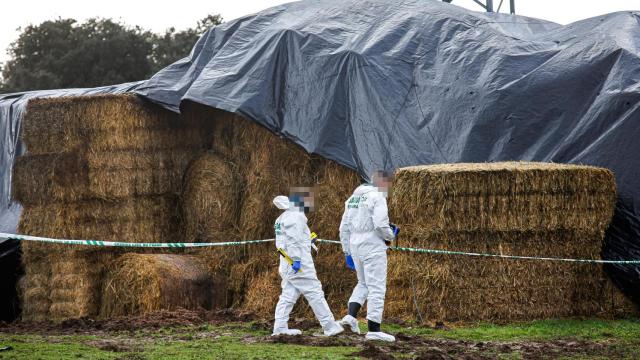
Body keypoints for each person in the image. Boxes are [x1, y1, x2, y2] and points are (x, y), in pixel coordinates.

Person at [272, 187, 344, 337]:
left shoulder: (283, 218)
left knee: (288, 295)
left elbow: (286, 241)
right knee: (314, 292)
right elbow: (293, 242)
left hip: (287, 263)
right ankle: (329, 326)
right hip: (297, 264)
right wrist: (296, 260)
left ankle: (279, 327)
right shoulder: (295, 217)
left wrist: (308, 239)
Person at [338, 171, 399, 342]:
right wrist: (391, 235)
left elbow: (343, 228)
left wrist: (347, 251)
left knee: (363, 283)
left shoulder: (351, 199)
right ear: (382, 183)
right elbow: (380, 224)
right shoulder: (377, 197)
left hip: (355, 245)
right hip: (373, 246)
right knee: (377, 287)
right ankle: (374, 329)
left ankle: (350, 318)